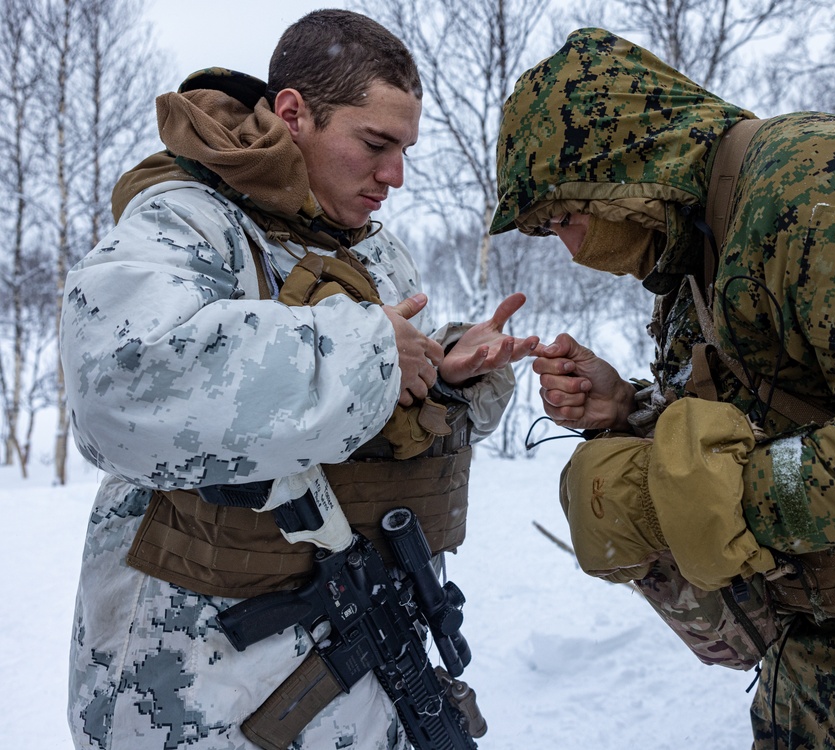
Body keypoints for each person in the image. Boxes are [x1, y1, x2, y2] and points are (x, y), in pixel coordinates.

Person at [490, 28, 835, 749]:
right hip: (817, 673)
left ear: (624, 163)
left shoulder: (820, 190)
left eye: (566, 218)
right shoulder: (694, 247)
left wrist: (725, 497)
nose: (574, 251)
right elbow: (770, 414)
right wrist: (629, 408)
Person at [62, 9, 538, 750]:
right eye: (376, 143)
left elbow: (366, 410)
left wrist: (437, 371)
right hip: (207, 700)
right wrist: (375, 355)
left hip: (370, 682)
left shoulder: (379, 254)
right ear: (295, 115)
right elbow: (117, 386)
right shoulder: (190, 221)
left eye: (406, 149)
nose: (395, 176)